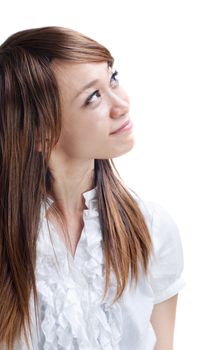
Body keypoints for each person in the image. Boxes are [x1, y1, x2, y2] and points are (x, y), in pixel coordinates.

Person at [0, 26, 185, 350]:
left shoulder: (152, 230)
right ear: (42, 134)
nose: (122, 104)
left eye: (112, 78)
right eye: (93, 97)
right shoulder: (8, 242)